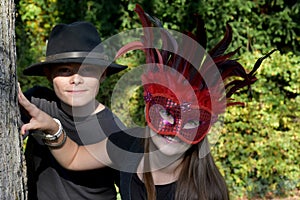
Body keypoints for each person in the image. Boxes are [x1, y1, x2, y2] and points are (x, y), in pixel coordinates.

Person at [19, 5, 275, 200]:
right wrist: (53, 129)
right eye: (165, 113)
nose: (173, 130)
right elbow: (74, 157)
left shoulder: (205, 190)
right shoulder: (126, 143)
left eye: (192, 121)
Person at [20, 21, 127, 200]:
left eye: (87, 69)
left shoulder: (113, 130)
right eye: (64, 70)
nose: (76, 80)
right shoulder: (37, 103)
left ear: (103, 74)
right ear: (49, 74)